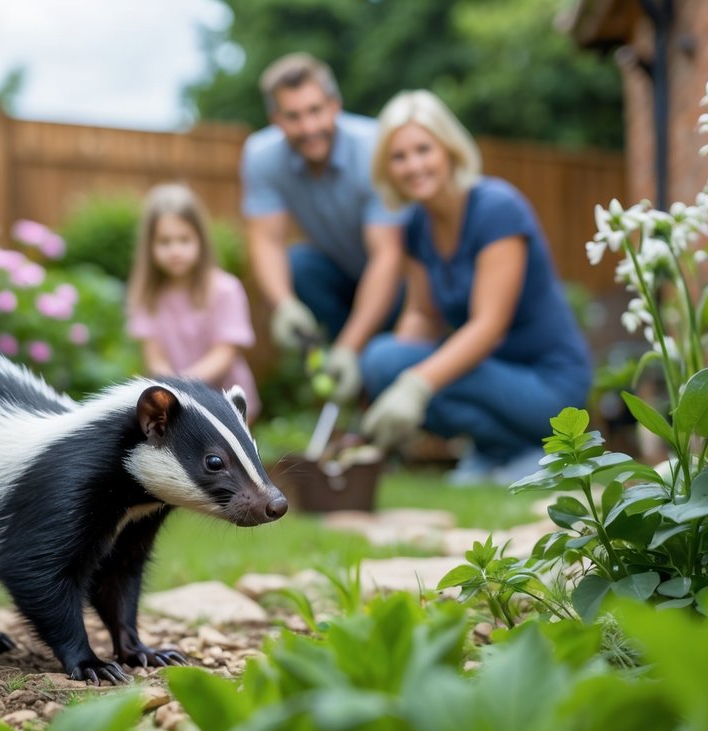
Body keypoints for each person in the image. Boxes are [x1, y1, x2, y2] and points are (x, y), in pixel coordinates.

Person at [359, 89, 593, 485]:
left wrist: (414, 383)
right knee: (381, 361)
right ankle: (508, 452)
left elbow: (489, 326)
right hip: (492, 376)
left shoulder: (496, 208)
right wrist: (390, 384)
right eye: (399, 157)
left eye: (423, 149)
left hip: (549, 384)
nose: (413, 165)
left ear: (448, 149)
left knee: (396, 366)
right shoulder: (418, 225)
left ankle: (535, 453)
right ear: (387, 167)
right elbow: (422, 315)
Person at [240, 52, 406, 405]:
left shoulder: (375, 147)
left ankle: (374, 368)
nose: (309, 127)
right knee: (298, 266)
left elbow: (387, 256)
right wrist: (283, 304)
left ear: (335, 105)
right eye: (293, 116)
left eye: (316, 110)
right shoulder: (261, 155)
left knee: (379, 350)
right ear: (276, 120)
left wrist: (349, 347)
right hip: (340, 271)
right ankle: (358, 390)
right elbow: (266, 241)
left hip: (402, 280)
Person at [126, 183, 262, 422]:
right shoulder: (149, 295)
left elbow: (225, 352)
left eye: (184, 240)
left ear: (200, 240)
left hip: (226, 400)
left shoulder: (225, 290)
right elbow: (154, 356)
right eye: (165, 242)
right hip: (177, 405)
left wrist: (185, 382)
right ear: (150, 246)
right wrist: (171, 389)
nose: (175, 250)